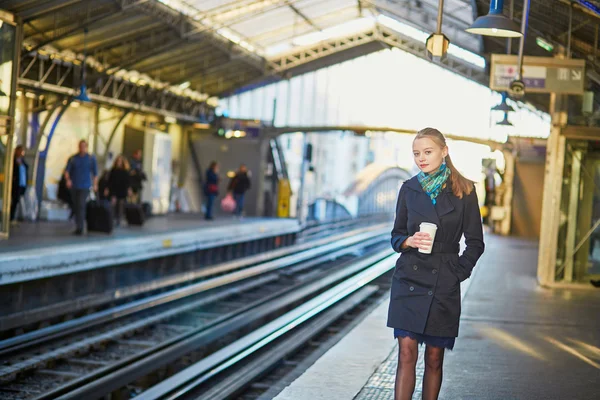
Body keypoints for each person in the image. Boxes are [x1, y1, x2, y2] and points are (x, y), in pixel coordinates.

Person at [388, 128, 484, 400]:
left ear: (444, 151)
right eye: (416, 153)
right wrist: (408, 242)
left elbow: (476, 242)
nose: (421, 158)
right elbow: (395, 236)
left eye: (427, 152)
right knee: (406, 353)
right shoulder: (409, 188)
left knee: (433, 358)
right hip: (409, 279)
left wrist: (457, 273)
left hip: (444, 282)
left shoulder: (465, 190)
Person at [65, 140, 98, 235]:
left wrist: (95, 184)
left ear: (86, 147)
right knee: (76, 206)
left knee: (81, 205)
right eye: (80, 146)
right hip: (75, 185)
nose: (82, 148)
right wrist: (68, 180)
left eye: (84, 146)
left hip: (85, 186)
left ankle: (80, 227)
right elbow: (67, 171)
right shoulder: (73, 159)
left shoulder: (91, 159)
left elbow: (95, 174)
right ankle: (78, 225)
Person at [106, 155, 132, 227]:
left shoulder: (125, 171)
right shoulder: (113, 170)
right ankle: (111, 218)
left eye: (120, 161)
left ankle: (118, 219)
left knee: (120, 205)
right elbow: (109, 181)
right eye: (118, 161)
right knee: (113, 204)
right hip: (114, 190)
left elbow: (127, 182)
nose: (119, 163)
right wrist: (107, 189)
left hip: (122, 190)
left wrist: (129, 189)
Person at [10, 145, 28, 222]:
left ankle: (14, 217)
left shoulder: (22, 161)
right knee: (15, 200)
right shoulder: (13, 160)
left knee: (17, 201)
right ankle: (11, 217)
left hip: (21, 183)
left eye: (22, 151)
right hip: (15, 184)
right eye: (20, 150)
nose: (22, 152)